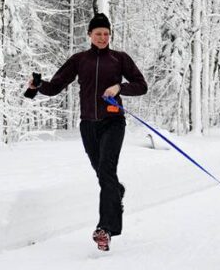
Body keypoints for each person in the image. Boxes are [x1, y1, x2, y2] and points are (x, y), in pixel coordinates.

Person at [24, 13, 148, 251]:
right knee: (104, 176)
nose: (102, 37)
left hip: (113, 123)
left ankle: (105, 229)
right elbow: (56, 86)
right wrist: (37, 86)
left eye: (106, 34)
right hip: (88, 125)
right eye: (98, 33)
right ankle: (117, 191)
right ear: (89, 35)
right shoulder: (79, 60)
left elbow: (141, 85)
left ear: (110, 35)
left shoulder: (119, 59)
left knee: (106, 170)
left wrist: (119, 87)